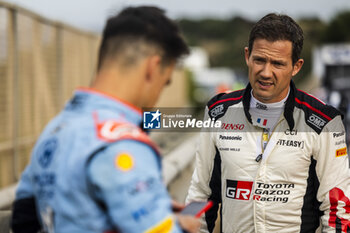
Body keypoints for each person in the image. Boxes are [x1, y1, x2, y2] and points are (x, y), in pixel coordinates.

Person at [11, 6, 200, 233]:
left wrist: (146, 205)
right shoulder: (123, 143)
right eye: (165, 81)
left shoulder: (55, 129)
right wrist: (182, 227)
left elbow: (24, 218)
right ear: (153, 67)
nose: (159, 94)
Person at [186, 13, 350, 232]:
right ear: (247, 56)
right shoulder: (218, 112)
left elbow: (337, 210)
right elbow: (199, 194)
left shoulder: (324, 122)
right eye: (259, 60)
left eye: (278, 64)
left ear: (296, 66)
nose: (265, 72)